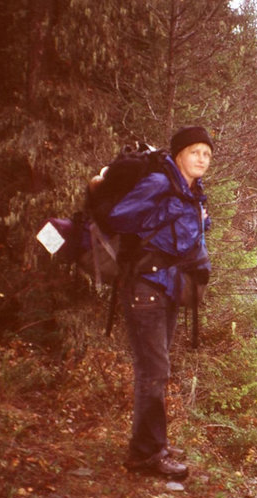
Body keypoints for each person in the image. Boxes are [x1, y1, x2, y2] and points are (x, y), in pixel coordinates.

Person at [107, 125, 214, 478]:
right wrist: (163, 215)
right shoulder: (160, 183)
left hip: (167, 287)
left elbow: (191, 234)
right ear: (179, 153)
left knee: (155, 371)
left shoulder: (193, 192)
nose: (202, 159)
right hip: (145, 285)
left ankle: (151, 445)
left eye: (207, 154)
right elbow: (119, 216)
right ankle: (146, 455)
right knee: (154, 371)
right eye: (196, 151)